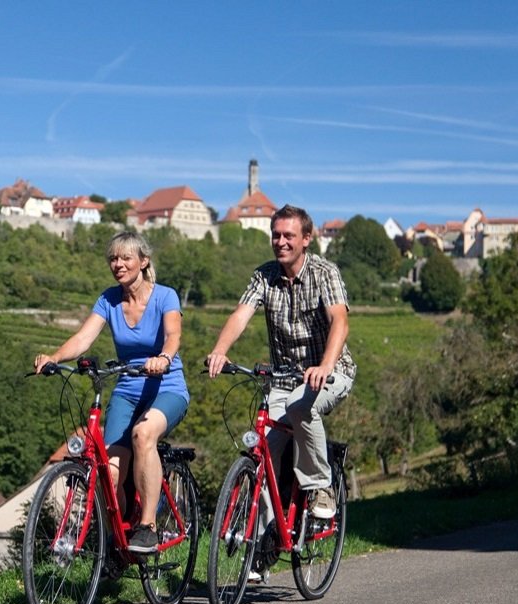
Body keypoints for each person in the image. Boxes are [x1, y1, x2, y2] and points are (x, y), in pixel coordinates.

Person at [34, 231, 189, 554]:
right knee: (111, 471)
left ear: (143, 262)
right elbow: (83, 338)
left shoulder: (165, 296)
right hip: (128, 388)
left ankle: (147, 526)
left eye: (125, 258)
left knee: (144, 434)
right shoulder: (108, 299)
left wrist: (163, 358)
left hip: (166, 386)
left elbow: (173, 335)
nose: (117, 264)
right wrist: (55, 357)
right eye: (113, 259)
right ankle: (119, 540)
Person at [205, 204, 355, 519]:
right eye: (276, 235)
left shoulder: (324, 272)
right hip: (284, 378)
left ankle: (320, 487)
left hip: (330, 373)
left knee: (301, 406)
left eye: (289, 235)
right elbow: (240, 316)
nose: (281, 242)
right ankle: (263, 545)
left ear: (306, 239)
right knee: (263, 452)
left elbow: (339, 320)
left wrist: (326, 364)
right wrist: (220, 349)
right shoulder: (264, 275)